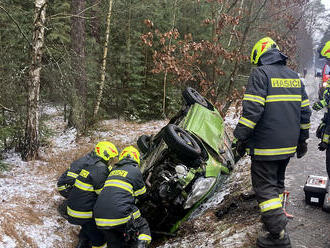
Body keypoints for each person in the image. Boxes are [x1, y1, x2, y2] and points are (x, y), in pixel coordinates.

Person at [232, 37, 311, 248]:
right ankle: (272, 219)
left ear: (260, 54)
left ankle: (277, 234)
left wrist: (240, 137)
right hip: (288, 146)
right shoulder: (294, 76)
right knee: (276, 183)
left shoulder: (260, 74)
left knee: (264, 189)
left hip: (266, 145)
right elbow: (305, 112)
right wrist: (303, 140)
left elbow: (252, 112)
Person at [93, 146, 151, 248]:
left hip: (99, 217)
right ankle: (141, 245)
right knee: (142, 224)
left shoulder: (112, 171)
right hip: (118, 215)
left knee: (115, 244)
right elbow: (142, 195)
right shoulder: (134, 170)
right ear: (136, 158)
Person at [67, 141, 118, 248]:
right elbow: (103, 195)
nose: (111, 161)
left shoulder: (91, 166)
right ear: (106, 156)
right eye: (111, 158)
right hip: (84, 213)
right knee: (100, 241)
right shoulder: (101, 169)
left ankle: (82, 243)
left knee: (87, 230)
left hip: (74, 210)